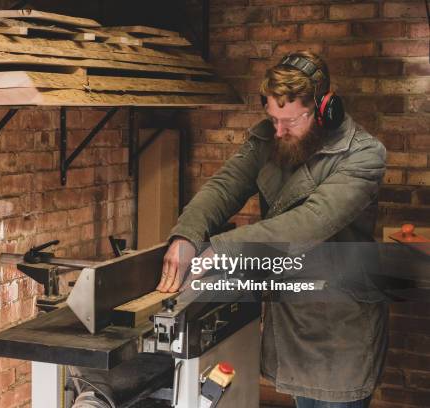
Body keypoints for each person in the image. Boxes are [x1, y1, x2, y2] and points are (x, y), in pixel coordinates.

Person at [157, 51, 388, 407]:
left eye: (291, 121)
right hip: (292, 316)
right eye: (273, 118)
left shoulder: (363, 155)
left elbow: (308, 222)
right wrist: (187, 234)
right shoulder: (271, 138)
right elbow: (224, 187)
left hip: (341, 327)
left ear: (325, 109)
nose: (278, 130)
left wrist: (221, 249)